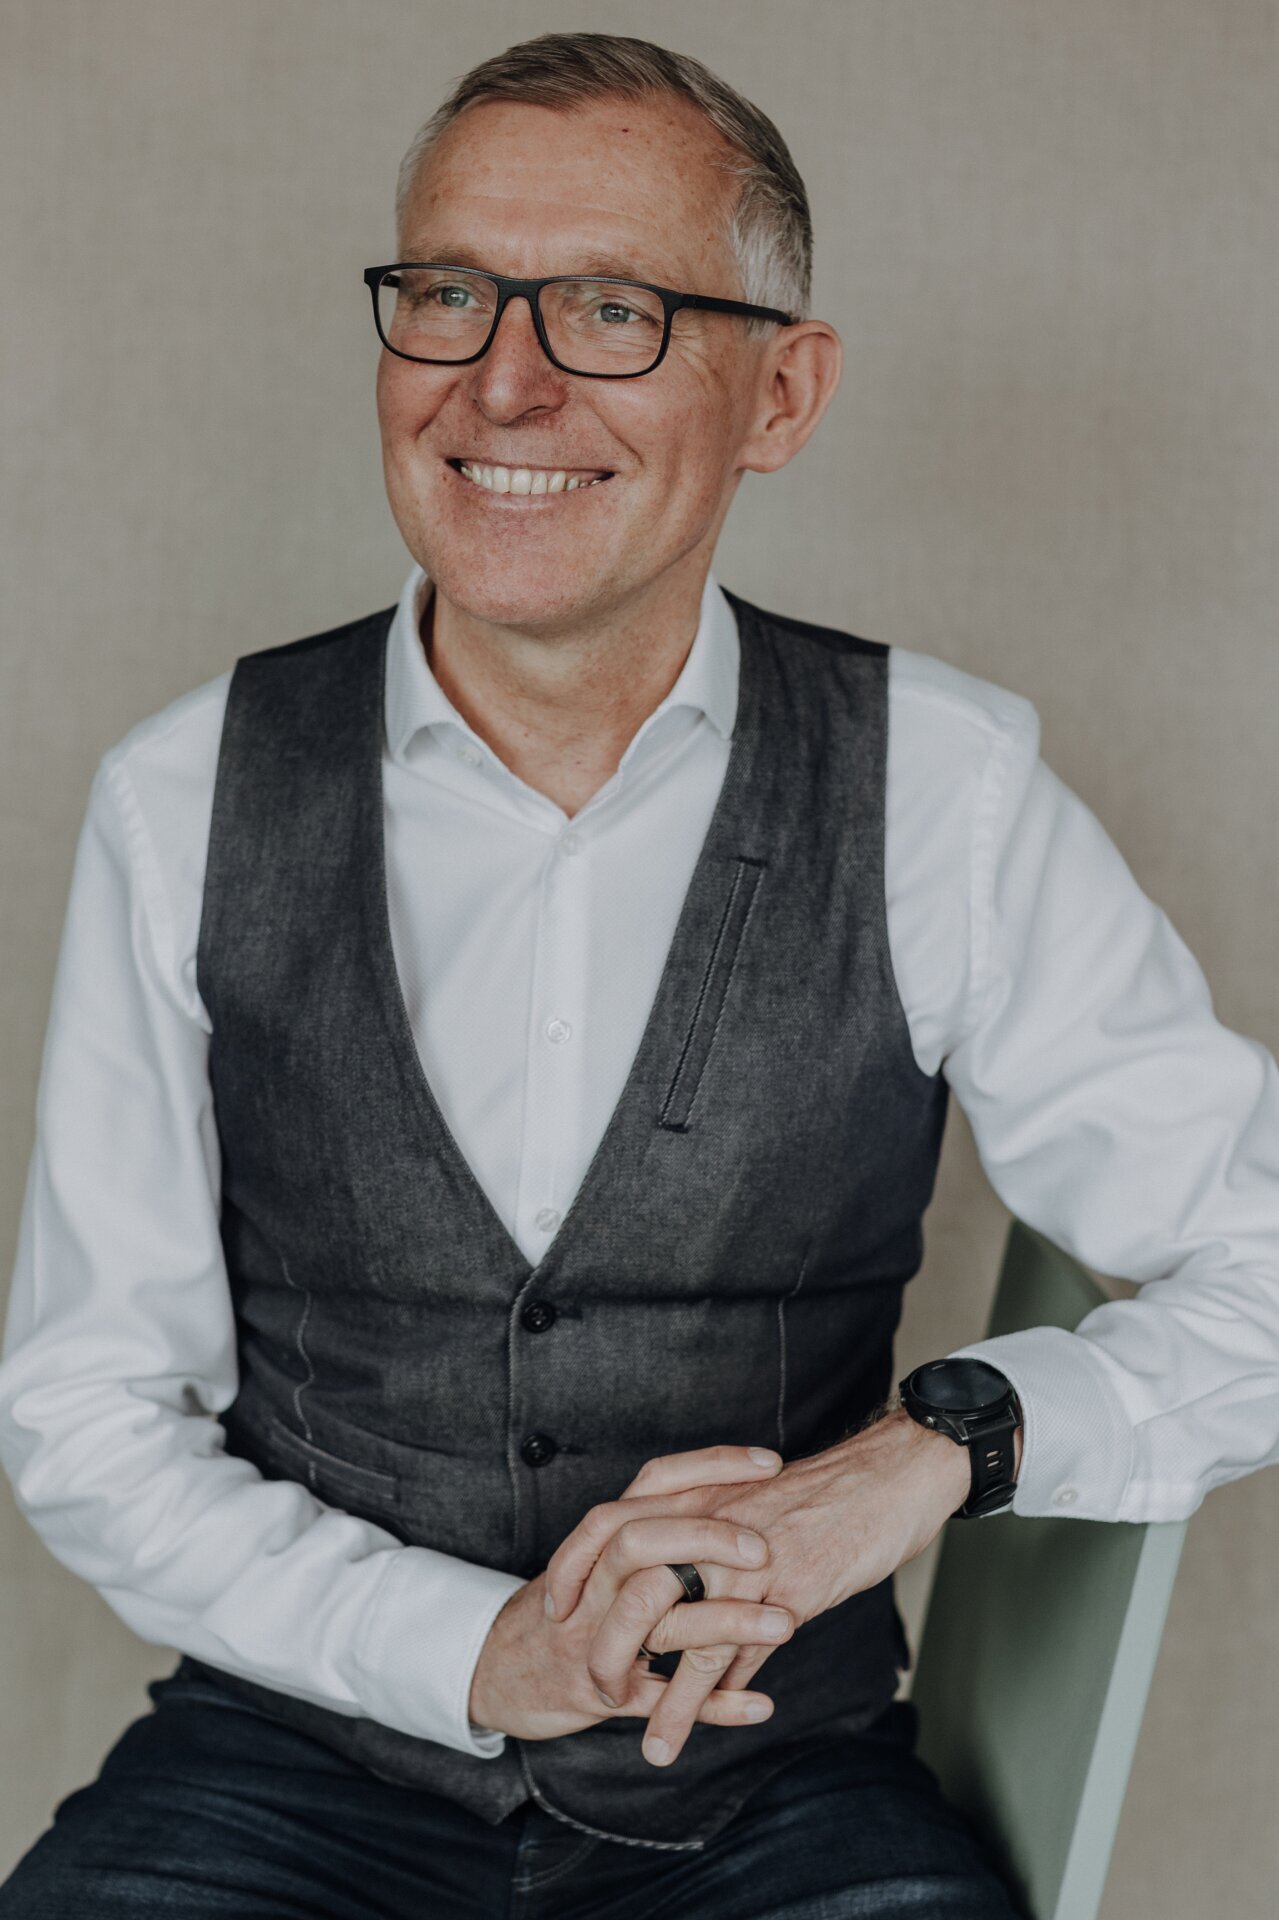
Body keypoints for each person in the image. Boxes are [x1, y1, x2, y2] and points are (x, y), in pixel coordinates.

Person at [1, 28, 1276, 1920]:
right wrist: (474, 1651)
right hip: (289, 1777)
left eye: (612, 310)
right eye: (449, 294)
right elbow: (90, 1410)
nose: (503, 382)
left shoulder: (948, 789)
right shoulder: (179, 795)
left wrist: (934, 1452)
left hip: (778, 1795)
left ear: (782, 394)